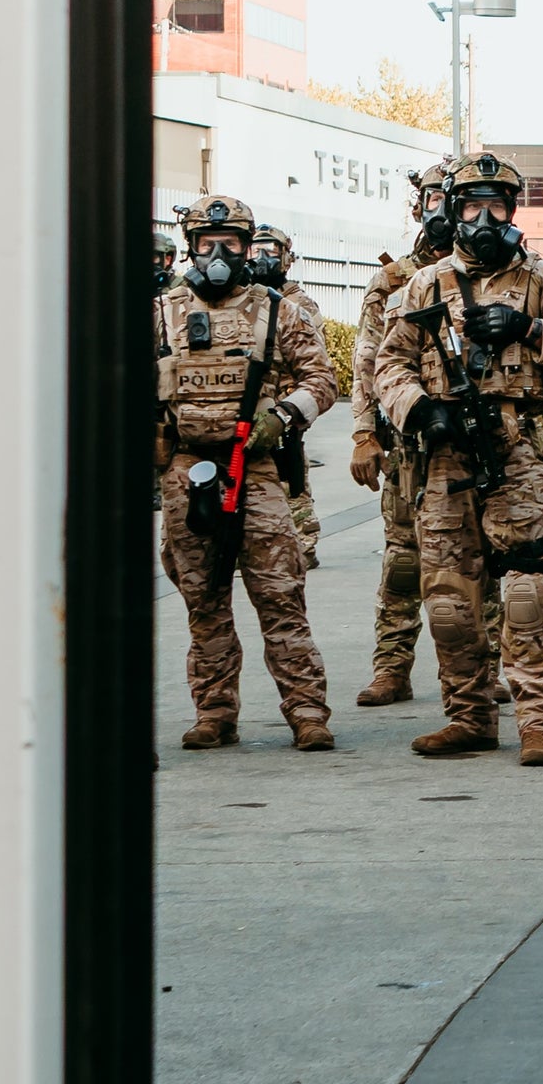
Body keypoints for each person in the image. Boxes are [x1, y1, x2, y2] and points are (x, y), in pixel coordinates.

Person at [368, 151, 543, 767]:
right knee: (448, 600)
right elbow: (387, 363)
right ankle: (469, 717)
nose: (485, 217)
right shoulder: (424, 283)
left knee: (527, 595)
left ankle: (537, 723)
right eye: (473, 205)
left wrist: (528, 331)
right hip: (444, 456)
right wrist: (419, 409)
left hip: (522, 451)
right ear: (453, 209)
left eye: (497, 205)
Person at [154, 193, 340, 751]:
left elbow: (322, 380)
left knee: (280, 597)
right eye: (207, 243)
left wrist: (283, 417)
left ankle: (307, 713)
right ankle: (214, 713)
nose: (218, 253)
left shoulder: (277, 309)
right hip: (187, 471)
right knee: (203, 601)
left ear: (246, 247)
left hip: (254, 468)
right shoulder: (162, 311)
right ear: (190, 247)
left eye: (230, 243)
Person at [347, 164, 455, 706]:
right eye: (433, 196)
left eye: (450, 197)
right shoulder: (392, 280)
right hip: (407, 444)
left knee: (480, 559)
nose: (443, 208)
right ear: (420, 205)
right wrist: (365, 433)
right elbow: (366, 360)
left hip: (469, 440)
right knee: (403, 559)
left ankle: (484, 668)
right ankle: (392, 665)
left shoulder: (500, 272)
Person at [246, 224, 325, 570]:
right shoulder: (247, 300)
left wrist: (292, 405)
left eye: (271, 251)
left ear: (286, 258)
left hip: (287, 406)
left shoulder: (296, 303)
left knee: (292, 476)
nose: (262, 258)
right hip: (254, 405)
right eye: (256, 249)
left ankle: (304, 541)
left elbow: (314, 360)